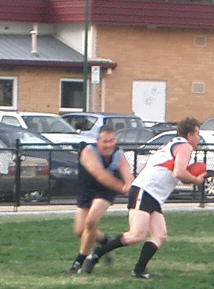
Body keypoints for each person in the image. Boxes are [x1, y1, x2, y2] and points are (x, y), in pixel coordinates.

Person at [81, 117, 206, 279]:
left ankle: (138, 271)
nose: (198, 138)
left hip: (151, 194)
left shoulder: (172, 144)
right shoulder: (185, 146)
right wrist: (197, 180)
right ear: (189, 135)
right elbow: (179, 173)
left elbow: (169, 172)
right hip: (145, 191)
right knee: (136, 235)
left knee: (160, 235)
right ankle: (96, 254)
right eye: (197, 134)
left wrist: (190, 177)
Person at [68, 126, 134, 274]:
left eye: (111, 141)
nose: (109, 145)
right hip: (87, 189)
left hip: (106, 191)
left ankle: (79, 263)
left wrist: (130, 185)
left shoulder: (119, 154)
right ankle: (106, 241)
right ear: (98, 141)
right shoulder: (88, 152)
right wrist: (122, 187)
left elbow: (128, 176)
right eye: (105, 141)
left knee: (91, 222)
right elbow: (99, 175)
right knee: (80, 230)